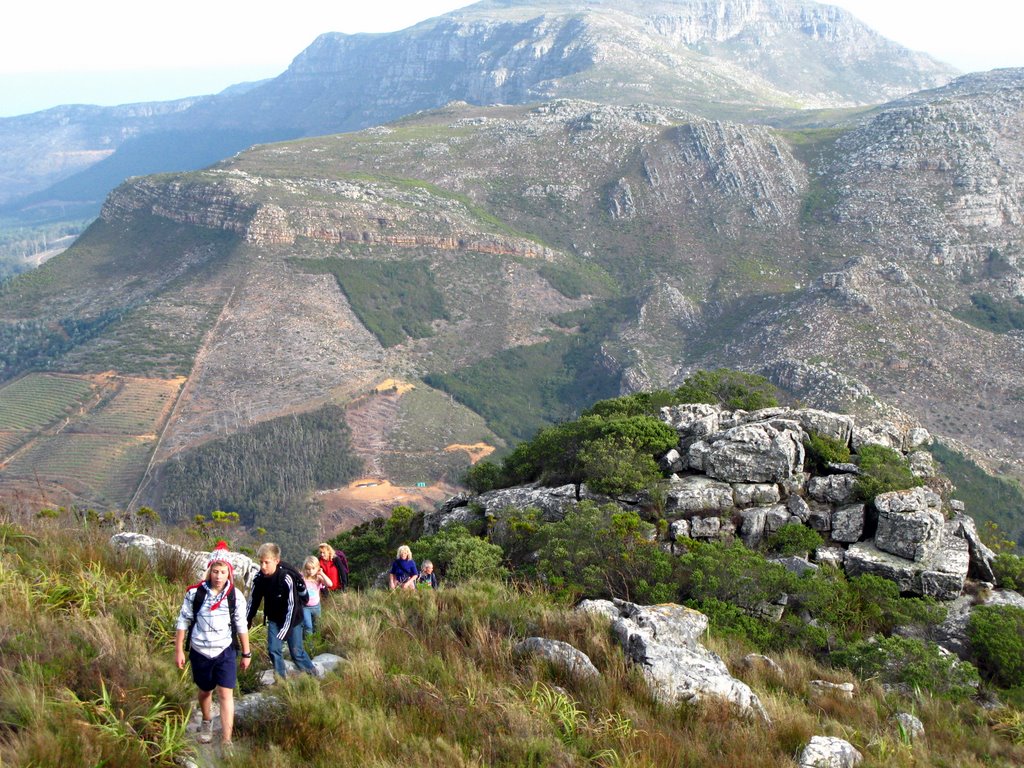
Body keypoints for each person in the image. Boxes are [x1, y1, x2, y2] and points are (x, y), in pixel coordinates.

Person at [174, 541, 251, 752]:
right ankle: (207, 721)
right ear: (209, 571)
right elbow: (183, 621)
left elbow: (241, 625)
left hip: (225, 651)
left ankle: (227, 740)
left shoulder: (235, 597)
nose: (218, 576)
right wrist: (179, 649)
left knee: (226, 694)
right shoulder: (195, 594)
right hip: (200, 651)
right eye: (215, 571)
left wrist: (246, 652)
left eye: (223, 572)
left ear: (229, 573)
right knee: (205, 691)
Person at [246, 543, 317, 678]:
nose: (263, 566)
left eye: (266, 562)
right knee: (273, 650)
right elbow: (253, 601)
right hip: (274, 618)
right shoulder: (259, 578)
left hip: (293, 619)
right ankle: (281, 680)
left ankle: (312, 674)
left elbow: (293, 606)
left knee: (296, 652)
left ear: (276, 561)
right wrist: (247, 619)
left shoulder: (286, 578)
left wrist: (285, 630)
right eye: (261, 562)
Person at [301, 555, 332, 636]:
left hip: (316, 607)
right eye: (308, 569)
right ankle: (309, 645)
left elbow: (330, 584)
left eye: (313, 568)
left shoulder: (318, 578)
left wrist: (322, 573)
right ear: (305, 568)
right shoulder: (302, 578)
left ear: (317, 568)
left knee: (317, 626)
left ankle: (316, 643)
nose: (310, 571)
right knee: (308, 626)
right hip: (305, 607)